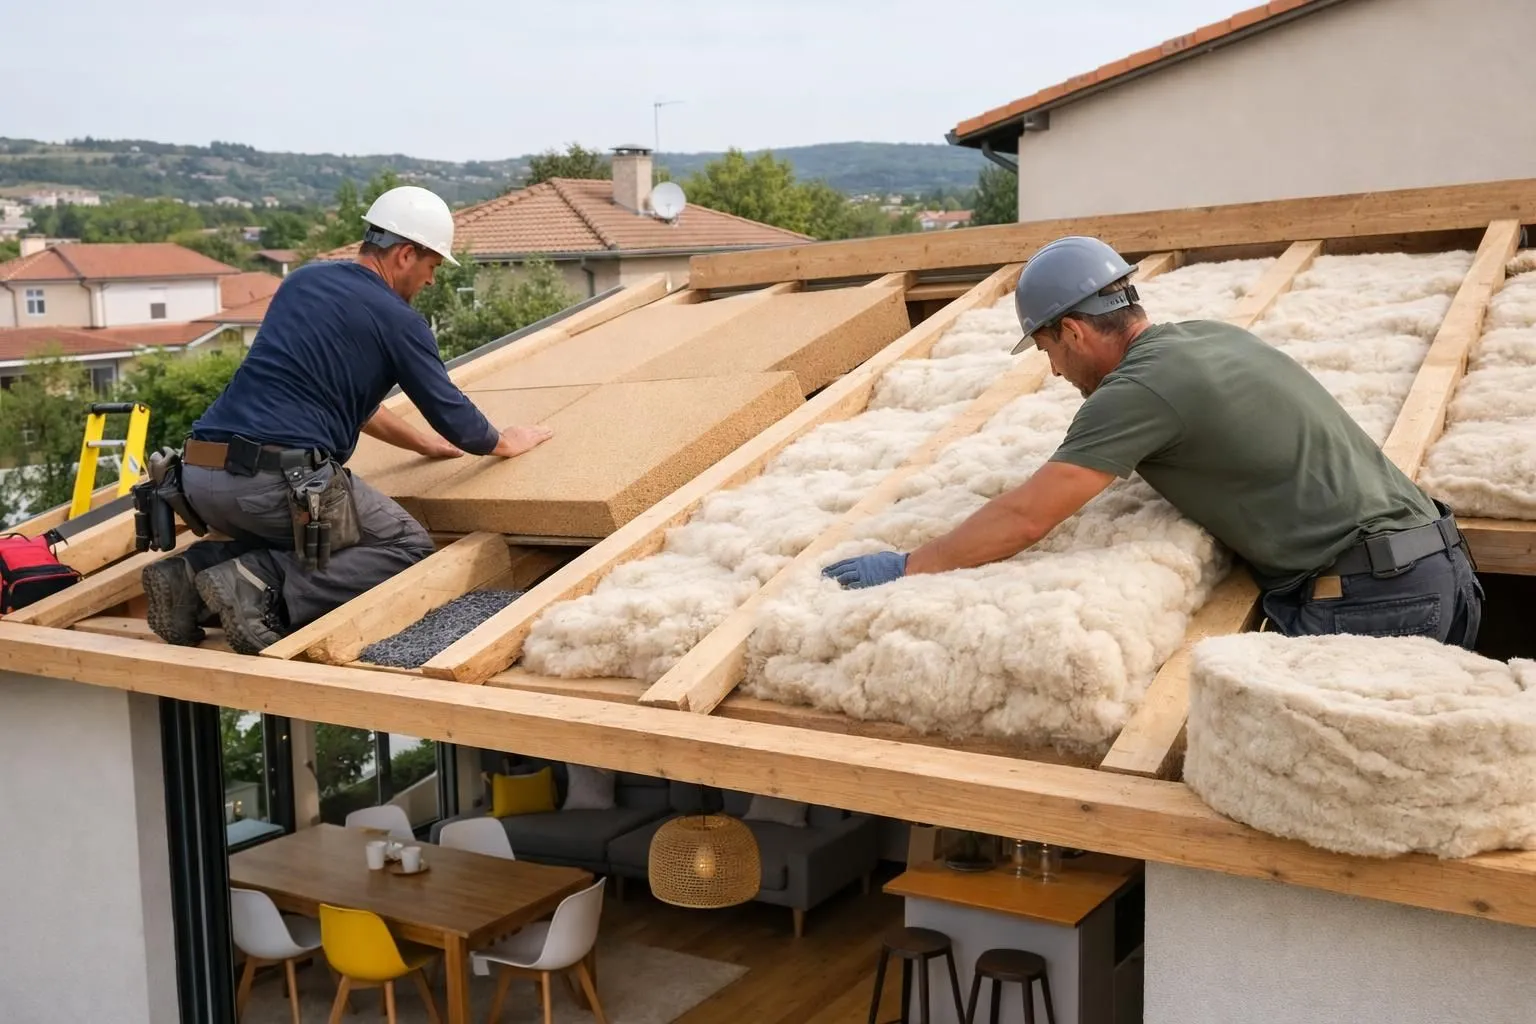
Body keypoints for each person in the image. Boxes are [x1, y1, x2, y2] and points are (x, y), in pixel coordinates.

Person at [822, 235, 1484, 648]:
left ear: (1074, 333)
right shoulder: (1209, 338)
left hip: (1377, 599)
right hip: (1439, 570)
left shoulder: (1137, 393)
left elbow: (1028, 517)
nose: (1053, 370)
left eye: (1048, 348)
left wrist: (911, 566)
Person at [142, 185, 553, 654]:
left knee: (307, 532)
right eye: (432, 267)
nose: (432, 282)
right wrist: (502, 441)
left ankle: (191, 574)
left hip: (198, 478)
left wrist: (423, 445)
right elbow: (451, 410)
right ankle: (259, 583)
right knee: (405, 547)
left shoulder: (303, 282)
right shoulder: (398, 320)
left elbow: (356, 406)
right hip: (270, 484)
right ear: (404, 255)